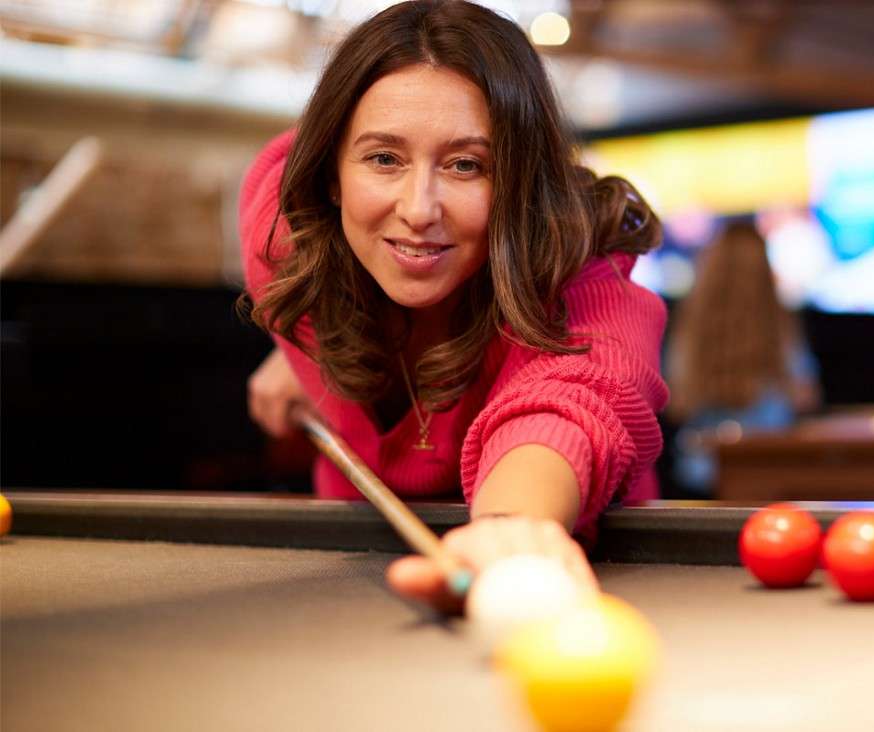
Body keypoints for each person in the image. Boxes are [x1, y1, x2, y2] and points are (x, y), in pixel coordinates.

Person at [239, 0, 666, 612]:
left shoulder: (585, 272)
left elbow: (577, 396)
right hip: (349, 569)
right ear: (332, 173)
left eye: (467, 165)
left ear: (517, 180)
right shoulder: (281, 235)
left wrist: (512, 527)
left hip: (557, 555)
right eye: (384, 158)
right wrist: (303, 344)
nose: (419, 209)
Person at [664, 220, 820, 495]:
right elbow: (805, 397)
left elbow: (676, 404)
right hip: (772, 473)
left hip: (700, 479)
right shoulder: (780, 322)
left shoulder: (690, 324)